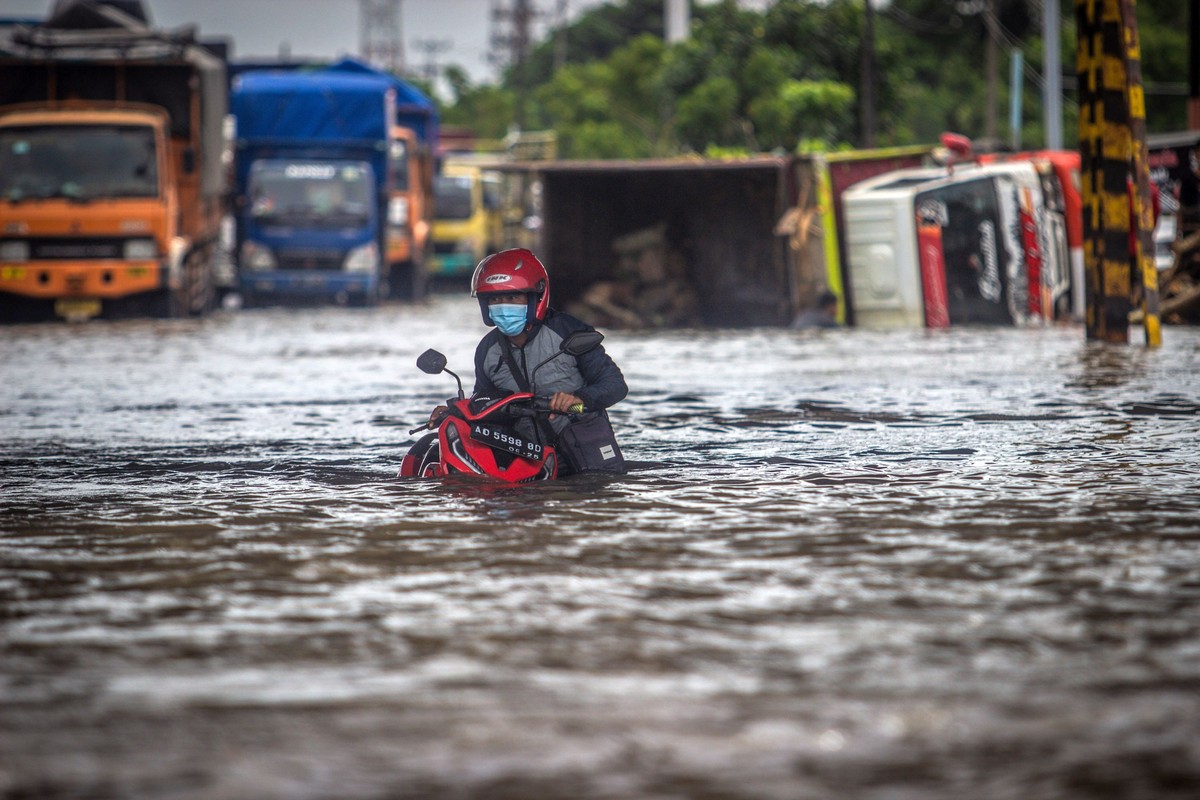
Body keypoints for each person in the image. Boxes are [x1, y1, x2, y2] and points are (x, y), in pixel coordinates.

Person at [432, 248, 628, 475]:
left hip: (583, 448)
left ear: (536, 297)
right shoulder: (488, 350)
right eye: (495, 299)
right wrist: (455, 412)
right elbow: (485, 405)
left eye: (513, 297)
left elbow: (615, 386)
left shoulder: (569, 332)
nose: (503, 306)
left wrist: (577, 399)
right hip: (529, 459)